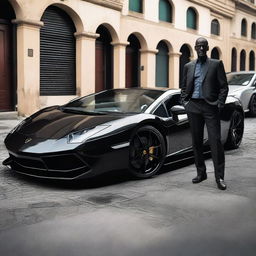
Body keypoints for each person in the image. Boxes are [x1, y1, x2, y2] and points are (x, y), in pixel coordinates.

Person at [180, 37, 229, 190]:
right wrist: (185, 102)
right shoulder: (188, 66)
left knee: (215, 142)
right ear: (195, 48)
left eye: (203, 46)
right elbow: (183, 87)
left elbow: (223, 87)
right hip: (193, 106)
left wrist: (219, 104)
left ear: (207, 48)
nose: (201, 49)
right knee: (196, 142)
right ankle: (201, 173)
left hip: (210, 107)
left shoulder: (216, 64)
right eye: (198, 46)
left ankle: (219, 177)